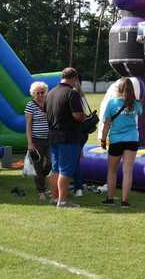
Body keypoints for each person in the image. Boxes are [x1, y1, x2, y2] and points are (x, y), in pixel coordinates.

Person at [45, 67, 85, 208]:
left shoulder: (50, 93)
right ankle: (62, 201)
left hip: (53, 136)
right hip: (68, 136)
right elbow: (77, 115)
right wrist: (84, 117)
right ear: (74, 79)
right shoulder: (71, 93)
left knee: (55, 169)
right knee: (66, 170)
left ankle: (55, 198)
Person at [101, 77, 142, 208]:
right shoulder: (136, 103)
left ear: (119, 89)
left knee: (112, 171)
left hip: (116, 140)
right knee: (127, 171)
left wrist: (103, 139)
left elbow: (106, 123)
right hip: (132, 139)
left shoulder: (112, 103)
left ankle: (110, 198)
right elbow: (140, 113)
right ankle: (124, 201)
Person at [25, 81, 53, 203]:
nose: (41, 95)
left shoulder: (49, 104)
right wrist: (30, 142)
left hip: (50, 139)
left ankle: (43, 176)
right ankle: (41, 191)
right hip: (37, 140)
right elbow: (28, 125)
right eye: (38, 93)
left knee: (52, 162)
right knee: (38, 165)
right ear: (33, 94)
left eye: (43, 92)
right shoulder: (30, 105)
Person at [72, 77, 91, 197]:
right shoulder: (82, 95)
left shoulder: (72, 96)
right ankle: (77, 186)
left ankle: (78, 187)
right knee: (76, 159)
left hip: (75, 132)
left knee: (73, 161)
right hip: (84, 133)